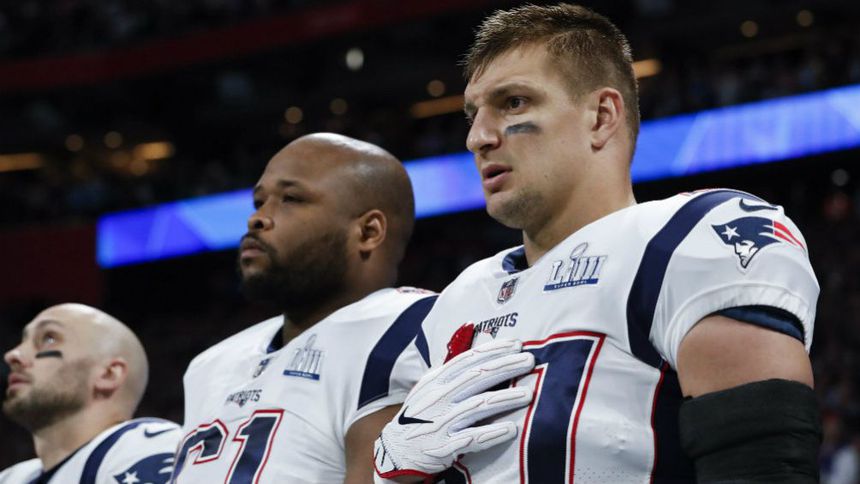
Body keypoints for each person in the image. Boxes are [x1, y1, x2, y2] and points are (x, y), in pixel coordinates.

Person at [374, 3, 821, 483]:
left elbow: (763, 471)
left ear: (601, 116)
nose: (477, 137)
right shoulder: (456, 301)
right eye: (472, 115)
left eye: (514, 103)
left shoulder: (685, 239)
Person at [172, 133, 437, 483]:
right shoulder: (210, 365)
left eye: (291, 199)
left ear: (368, 231)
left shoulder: (414, 325)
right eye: (259, 202)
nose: (258, 218)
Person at [0, 303, 180, 484]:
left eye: (49, 338)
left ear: (108, 374)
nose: (13, 355)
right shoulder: (12, 477)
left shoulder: (145, 448)